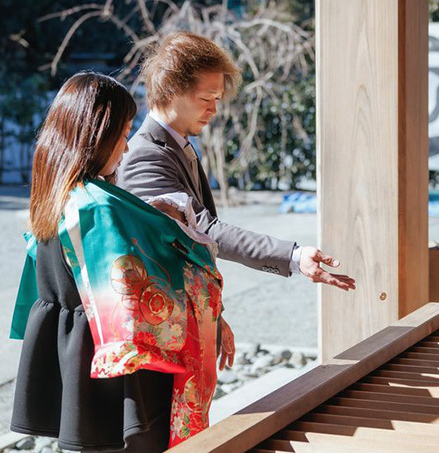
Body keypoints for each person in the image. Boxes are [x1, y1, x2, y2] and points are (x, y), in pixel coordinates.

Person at [10, 72, 227, 453]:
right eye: (123, 134)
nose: (126, 148)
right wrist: (183, 237)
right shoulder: (98, 206)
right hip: (129, 377)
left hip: (82, 368)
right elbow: (144, 300)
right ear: (96, 135)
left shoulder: (56, 195)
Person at [116, 32, 356, 366]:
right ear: (171, 91)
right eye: (206, 98)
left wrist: (215, 315)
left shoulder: (174, 145)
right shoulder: (146, 156)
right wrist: (294, 256)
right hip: (161, 334)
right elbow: (202, 231)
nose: (215, 109)